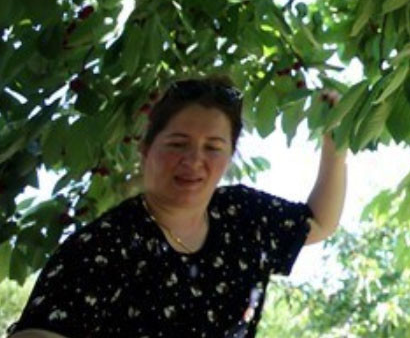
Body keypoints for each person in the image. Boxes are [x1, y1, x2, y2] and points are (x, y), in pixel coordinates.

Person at [7, 76, 347, 338]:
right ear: (146, 148)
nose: (194, 160)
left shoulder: (244, 216)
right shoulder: (102, 246)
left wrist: (336, 143)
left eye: (213, 147)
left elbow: (318, 221)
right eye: (178, 143)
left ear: (229, 156)